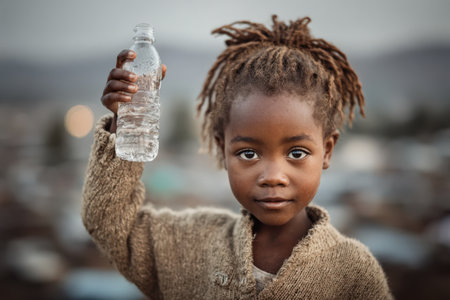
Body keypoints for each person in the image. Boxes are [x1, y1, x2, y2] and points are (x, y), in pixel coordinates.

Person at [82, 15, 393, 299]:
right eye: (248, 153)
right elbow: (109, 223)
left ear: (327, 150)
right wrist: (124, 124)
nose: (272, 175)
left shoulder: (354, 272)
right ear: (221, 148)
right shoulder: (190, 244)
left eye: (296, 153)